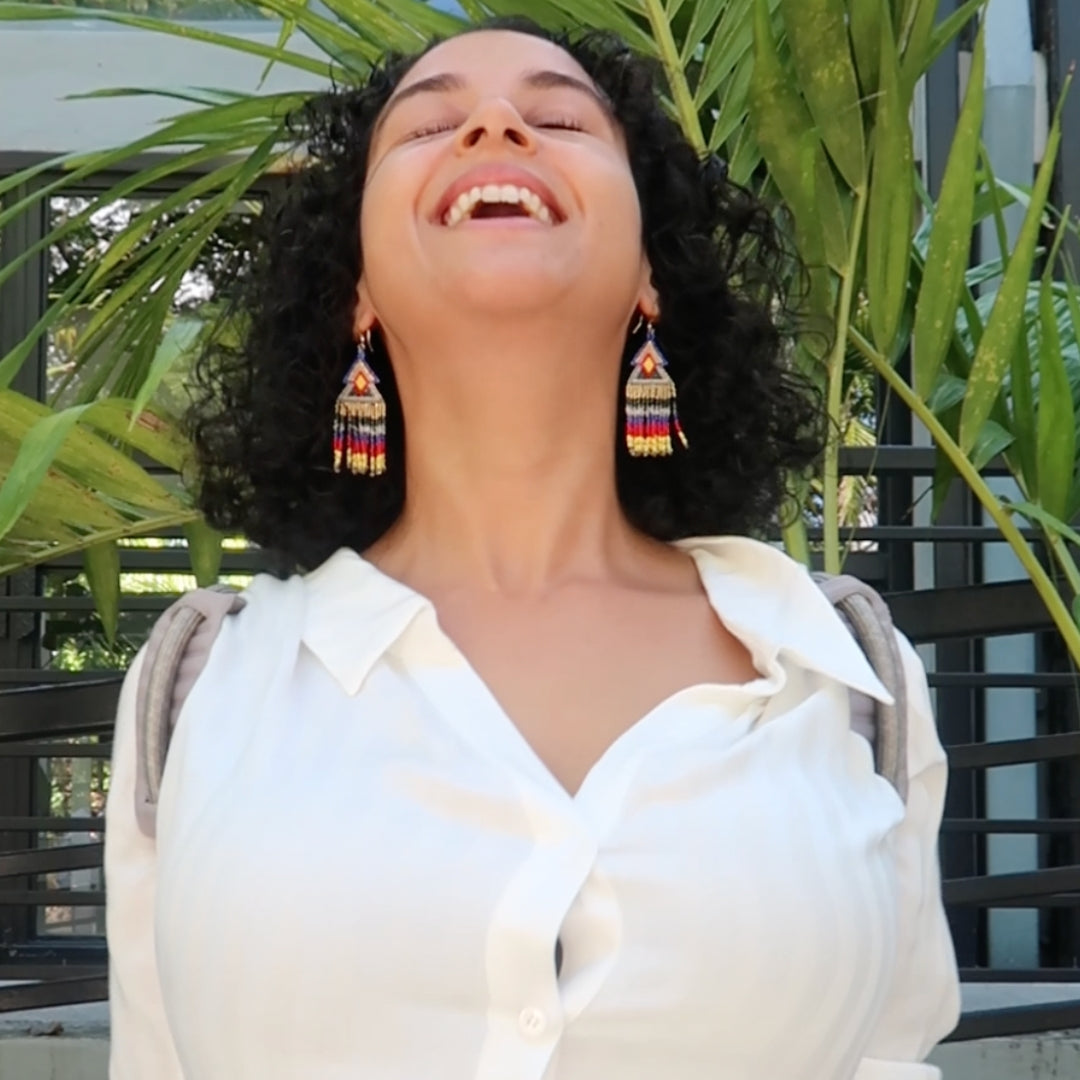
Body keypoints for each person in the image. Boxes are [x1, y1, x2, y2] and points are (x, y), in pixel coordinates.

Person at [104, 17, 960, 1080]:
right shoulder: (198, 690)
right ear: (358, 291)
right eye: (429, 125)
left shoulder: (847, 680)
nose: (496, 125)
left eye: (557, 117)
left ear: (651, 272)